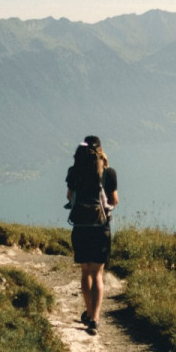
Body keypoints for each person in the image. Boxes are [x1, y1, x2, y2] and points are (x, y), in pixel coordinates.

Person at [66, 135, 119, 335]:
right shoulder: (109, 173)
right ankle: (95, 319)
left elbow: (69, 196)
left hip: (80, 227)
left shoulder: (74, 172)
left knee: (85, 271)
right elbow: (114, 201)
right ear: (100, 151)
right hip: (100, 228)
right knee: (98, 273)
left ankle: (88, 313)